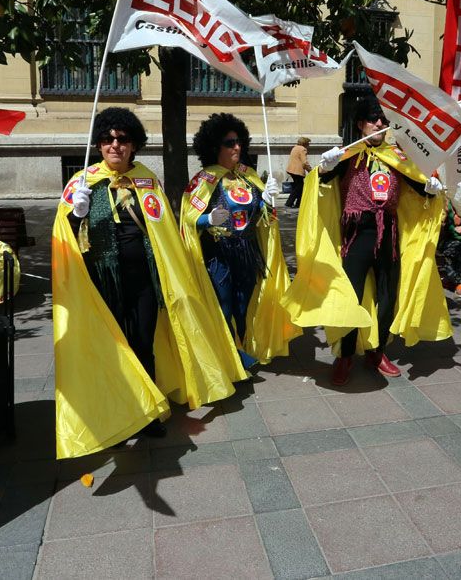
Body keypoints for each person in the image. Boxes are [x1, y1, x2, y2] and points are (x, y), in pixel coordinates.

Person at [52, 107, 246, 456]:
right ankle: (115, 412)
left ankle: (148, 412)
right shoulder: (82, 183)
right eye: (107, 139)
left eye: (122, 139)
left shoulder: (146, 180)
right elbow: (64, 242)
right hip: (100, 281)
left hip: (143, 277)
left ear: (134, 145)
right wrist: (74, 214)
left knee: (143, 341)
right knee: (111, 347)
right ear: (98, 145)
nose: (115, 146)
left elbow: (164, 233)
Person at [282, 94, 452, 386]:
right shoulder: (347, 154)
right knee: (351, 296)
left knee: (388, 297)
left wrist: (433, 188)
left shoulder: (398, 157)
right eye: (373, 119)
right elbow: (322, 180)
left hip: (389, 234)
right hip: (356, 235)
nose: (379, 124)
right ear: (361, 124)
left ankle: (377, 351)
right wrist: (324, 167)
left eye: (383, 120)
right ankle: (345, 355)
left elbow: (420, 187)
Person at [180, 114, 300, 370]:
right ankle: (228, 356)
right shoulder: (204, 180)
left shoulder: (248, 176)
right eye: (229, 143)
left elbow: (261, 217)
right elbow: (187, 220)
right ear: (214, 147)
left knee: (243, 305)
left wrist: (267, 201)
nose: (237, 147)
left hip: (247, 252)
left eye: (238, 142)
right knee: (223, 305)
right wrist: (206, 220)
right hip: (218, 254)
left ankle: (242, 347)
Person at [285, 136, 311, 208]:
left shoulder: (295, 147)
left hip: (291, 169)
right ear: (305, 143)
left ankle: (298, 204)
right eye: (308, 143)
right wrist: (310, 170)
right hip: (297, 171)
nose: (309, 145)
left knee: (299, 187)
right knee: (298, 187)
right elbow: (304, 162)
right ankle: (289, 203)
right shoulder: (303, 149)